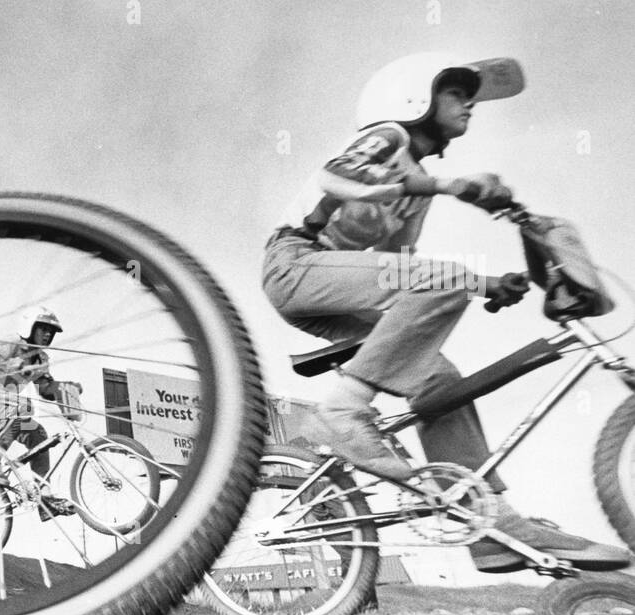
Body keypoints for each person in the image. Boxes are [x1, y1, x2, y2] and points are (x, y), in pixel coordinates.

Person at [262, 52, 628, 573]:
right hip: (295, 264)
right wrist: (448, 187)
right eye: (457, 94)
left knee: (442, 385)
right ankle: (342, 415)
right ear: (415, 96)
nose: (470, 106)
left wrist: (488, 284)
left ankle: (491, 524)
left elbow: (401, 270)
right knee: (446, 279)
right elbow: (336, 177)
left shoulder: (417, 185)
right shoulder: (388, 135)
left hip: (338, 294)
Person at [0, 306, 82, 520]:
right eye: (43, 329)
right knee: (22, 406)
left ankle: (45, 500)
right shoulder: (12, 344)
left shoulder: (40, 358)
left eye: (50, 331)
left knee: (40, 436)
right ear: (30, 328)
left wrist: (65, 387)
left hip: (8, 410)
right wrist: (11, 364)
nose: (47, 334)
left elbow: (45, 389)